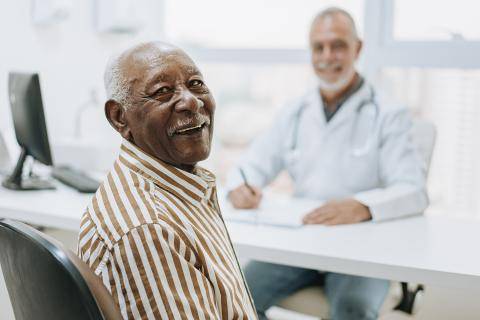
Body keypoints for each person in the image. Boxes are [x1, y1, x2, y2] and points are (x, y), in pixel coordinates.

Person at [226, 7, 428, 320]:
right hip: (301, 241)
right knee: (234, 296)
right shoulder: (294, 111)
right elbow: (252, 165)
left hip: (361, 248)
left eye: (338, 45)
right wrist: (241, 187)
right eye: (318, 47)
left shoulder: (389, 113)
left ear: (357, 49)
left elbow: (412, 189)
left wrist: (361, 206)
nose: (327, 56)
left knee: (353, 310)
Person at [78, 42, 258, 320]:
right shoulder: (149, 229)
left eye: (196, 83)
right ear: (119, 117)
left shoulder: (180, 186)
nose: (191, 101)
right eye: (163, 92)